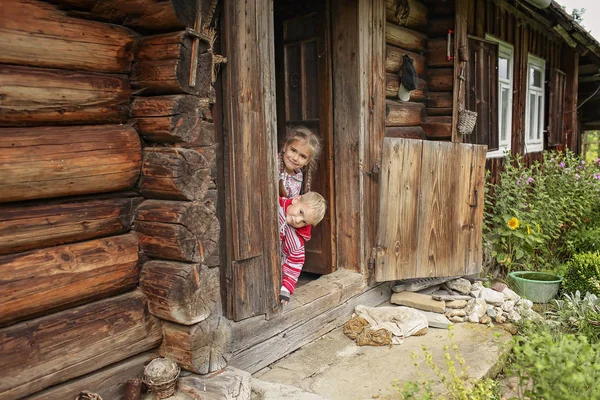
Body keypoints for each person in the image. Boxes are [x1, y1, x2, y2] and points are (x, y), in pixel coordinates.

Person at [279, 191, 326, 305]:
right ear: (296, 200)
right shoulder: (275, 204)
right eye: (300, 212)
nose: (298, 220)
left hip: (273, 266)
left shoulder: (296, 241)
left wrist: (285, 288)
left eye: (304, 222)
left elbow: (295, 263)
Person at [278, 126, 322, 199]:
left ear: (307, 161)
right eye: (293, 150)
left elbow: (290, 203)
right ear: (285, 146)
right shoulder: (272, 165)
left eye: (302, 156)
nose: (295, 158)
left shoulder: (297, 177)